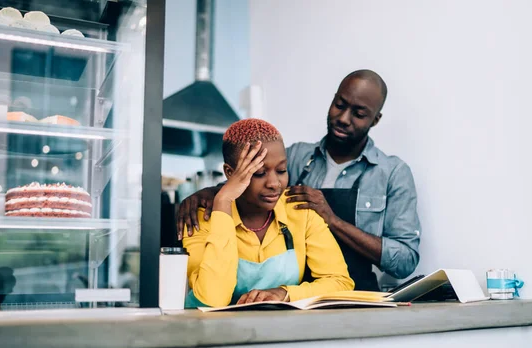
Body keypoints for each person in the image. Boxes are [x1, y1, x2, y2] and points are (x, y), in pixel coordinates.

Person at [178, 70, 421, 291]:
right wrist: (213, 193)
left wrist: (333, 221)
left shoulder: (392, 173)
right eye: (339, 105)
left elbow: (405, 261)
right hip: (298, 298)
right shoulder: (296, 157)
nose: (344, 118)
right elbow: (251, 187)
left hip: (358, 296)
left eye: (358, 114)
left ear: (375, 119)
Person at [183, 118, 354, 308]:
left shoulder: (300, 212)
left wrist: (285, 293)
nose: (274, 183)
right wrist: (223, 201)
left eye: (281, 170)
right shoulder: (201, 218)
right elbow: (212, 300)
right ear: (230, 173)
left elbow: (341, 283)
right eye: (259, 173)